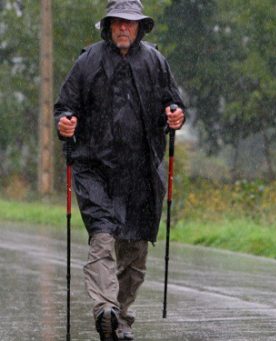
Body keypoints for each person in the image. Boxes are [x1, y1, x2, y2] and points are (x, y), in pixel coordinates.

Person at [54, 1, 185, 340]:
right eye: (118, 23)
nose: (124, 29)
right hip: (95, 169)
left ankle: (120, 318)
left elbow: (174, 102)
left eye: (131, 23)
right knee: (102, 238)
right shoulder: (88, 62)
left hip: (140, 172)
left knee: (134, 252)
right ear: (108, 26)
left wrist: (175, 114)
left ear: (140, 28)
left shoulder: (155, 61)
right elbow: (65, 106)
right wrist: (65, 124)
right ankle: (104, 309)